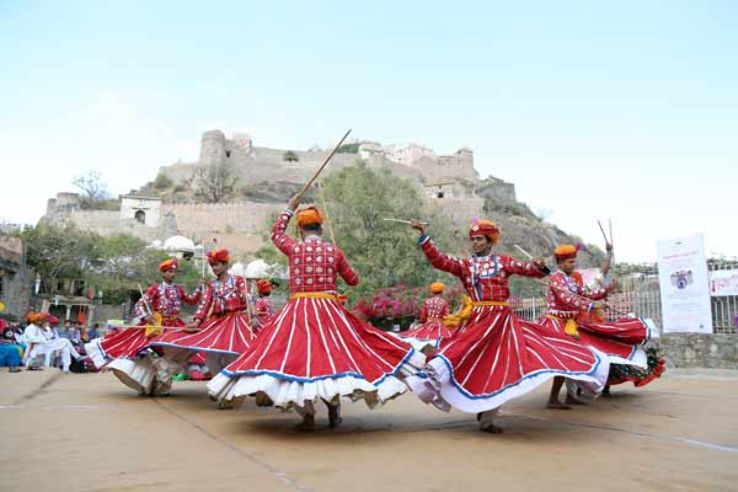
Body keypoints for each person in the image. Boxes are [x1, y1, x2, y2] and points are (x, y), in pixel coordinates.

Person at [207, 199, 424, 431]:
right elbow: (354, 280)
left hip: (299, 313)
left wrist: (289, 208)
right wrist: (339, 261)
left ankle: (308, 414)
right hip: (330, 314)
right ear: (320, 228)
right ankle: (333, 407)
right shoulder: (334, 252)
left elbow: (276, 233)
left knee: (298, 361)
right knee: (333, 360)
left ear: (300, 230)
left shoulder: (294, 248)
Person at [405, 219, 609, 433]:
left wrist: (539, 267)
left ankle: (487, 417)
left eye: (479, 239)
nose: (475, 243)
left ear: (489, 241)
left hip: (501, 322)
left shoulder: (502, 262)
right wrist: (424, 236)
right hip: (478, 320)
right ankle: (444, 389)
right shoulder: (465, 265)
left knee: (501, 366)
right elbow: (439, 261)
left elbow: (527, 269)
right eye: (473, 239)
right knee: (467, 360)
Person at [539, 244, 659, 407]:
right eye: (569, 262)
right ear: (560, 263)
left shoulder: (570, 279)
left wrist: (605, 291)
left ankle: (569, 395)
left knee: (576, 358)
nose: (573, 265)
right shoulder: (556, 279)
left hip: (569, 325)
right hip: (556, 324)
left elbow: (585, 294)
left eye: (574, 262)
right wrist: (591, 306)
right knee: (566, 360)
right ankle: (553, 398)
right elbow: (567, 298)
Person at [85, 258, 203, 394]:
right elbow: (140, 304)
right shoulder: (155, 289)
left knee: (177, 353)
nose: (172, 274)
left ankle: (162, 385)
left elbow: (192, 300)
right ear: (163, 274)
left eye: (174, 271)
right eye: (170, 271)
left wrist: (200, 287)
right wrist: (146, 316)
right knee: (152, 355)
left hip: (175, 326)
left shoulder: (179, 289)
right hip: (157, 326)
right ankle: (151, 385)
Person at [151, 249, 257, 384]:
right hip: (217, 323)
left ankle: (231, 386)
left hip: (235, 322)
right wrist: (196, 321)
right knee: (211, 358)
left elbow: (249, 298)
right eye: (212, 266)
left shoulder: (238, 281)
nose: (214, 268)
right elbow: (204, 304)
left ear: (225, 265)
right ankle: (220, 385)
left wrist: (253, 315)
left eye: (217, 265)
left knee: (232, 355)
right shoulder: (212, 285)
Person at [396, 281, 452, 354]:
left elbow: (423, 316)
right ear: (442, 292)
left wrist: (423, 323)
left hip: (428, 324)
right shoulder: (444, 302)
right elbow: (446, 316)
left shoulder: (427, 301)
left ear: (432, 292)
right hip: (439, 325)